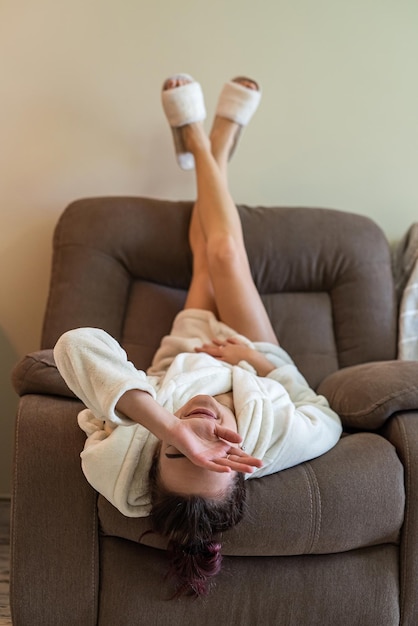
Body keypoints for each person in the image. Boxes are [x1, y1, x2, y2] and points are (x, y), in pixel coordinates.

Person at [54, 74, 342, 598]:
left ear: (153, 454)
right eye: (215, 457)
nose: (201, 431)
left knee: (204, 267)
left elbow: (75, 345)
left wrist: (165, 424)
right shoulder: (277, 441)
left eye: (177, 452)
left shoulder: (124, 457)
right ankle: (208, 140)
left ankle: (206, 144)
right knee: (227, 254)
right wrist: (260, 359)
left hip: (183, 353)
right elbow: (322, 414)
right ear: (244, 470)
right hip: (251, 354)